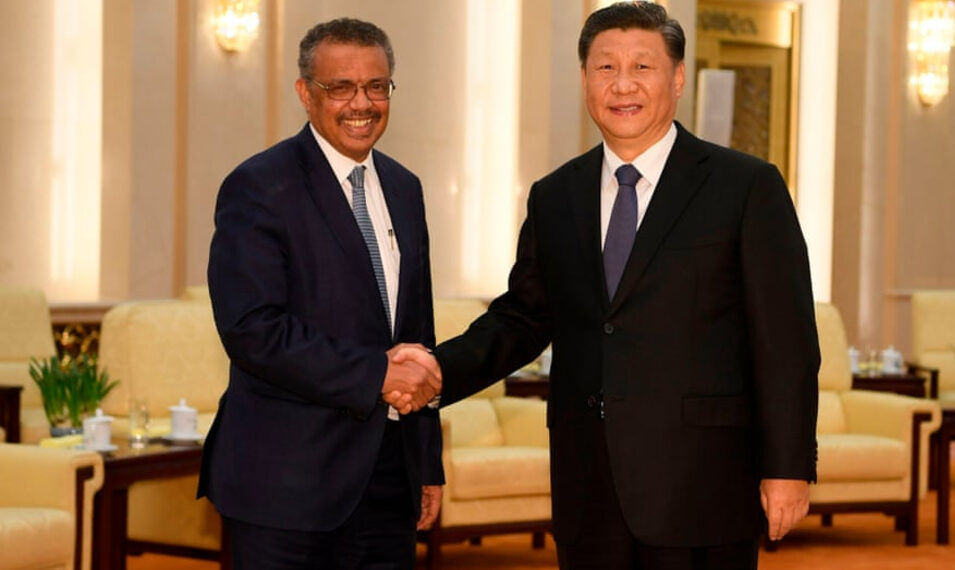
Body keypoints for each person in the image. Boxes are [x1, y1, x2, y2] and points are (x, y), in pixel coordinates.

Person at [397, 2, 819, 568]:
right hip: (587, 486)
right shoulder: (555, 196)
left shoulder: (745, 187)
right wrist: (436, 371)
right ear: (584, 79)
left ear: (676, 78)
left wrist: (788, 465)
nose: (623, 85)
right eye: (605, 68)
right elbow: (522, 318)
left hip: (701, 488)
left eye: (642, 67)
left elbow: (786, 341)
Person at [199, 17, 443, 569]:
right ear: (306, 94)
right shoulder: (259, 186)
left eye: (377, 86)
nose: (363, 102)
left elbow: (416, 336)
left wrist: (426, 464)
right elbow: (253, 330)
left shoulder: (405, 189)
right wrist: (375, 374)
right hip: (286, 486)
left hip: (388, 482)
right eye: (341, 87)